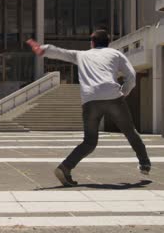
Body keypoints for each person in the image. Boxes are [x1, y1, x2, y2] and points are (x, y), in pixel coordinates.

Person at [26, 30, 151, 187]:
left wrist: (43, 49)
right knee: (130, 132)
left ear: (92, 43)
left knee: (90, 141)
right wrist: (123, 93)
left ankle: (65, 167)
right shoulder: (115, 53)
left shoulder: (82, 55)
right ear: (108, 42)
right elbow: (131, 77)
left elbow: (60, 53)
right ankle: (145, 163)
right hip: (112, 96)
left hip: (90, 100)